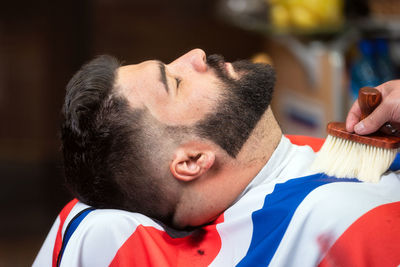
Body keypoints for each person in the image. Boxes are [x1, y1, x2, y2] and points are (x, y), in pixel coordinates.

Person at [34, 49, 400, 267]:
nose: (195, 56)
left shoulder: (298, 168)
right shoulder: (348, 222)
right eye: (174, 82)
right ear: (192, 160)